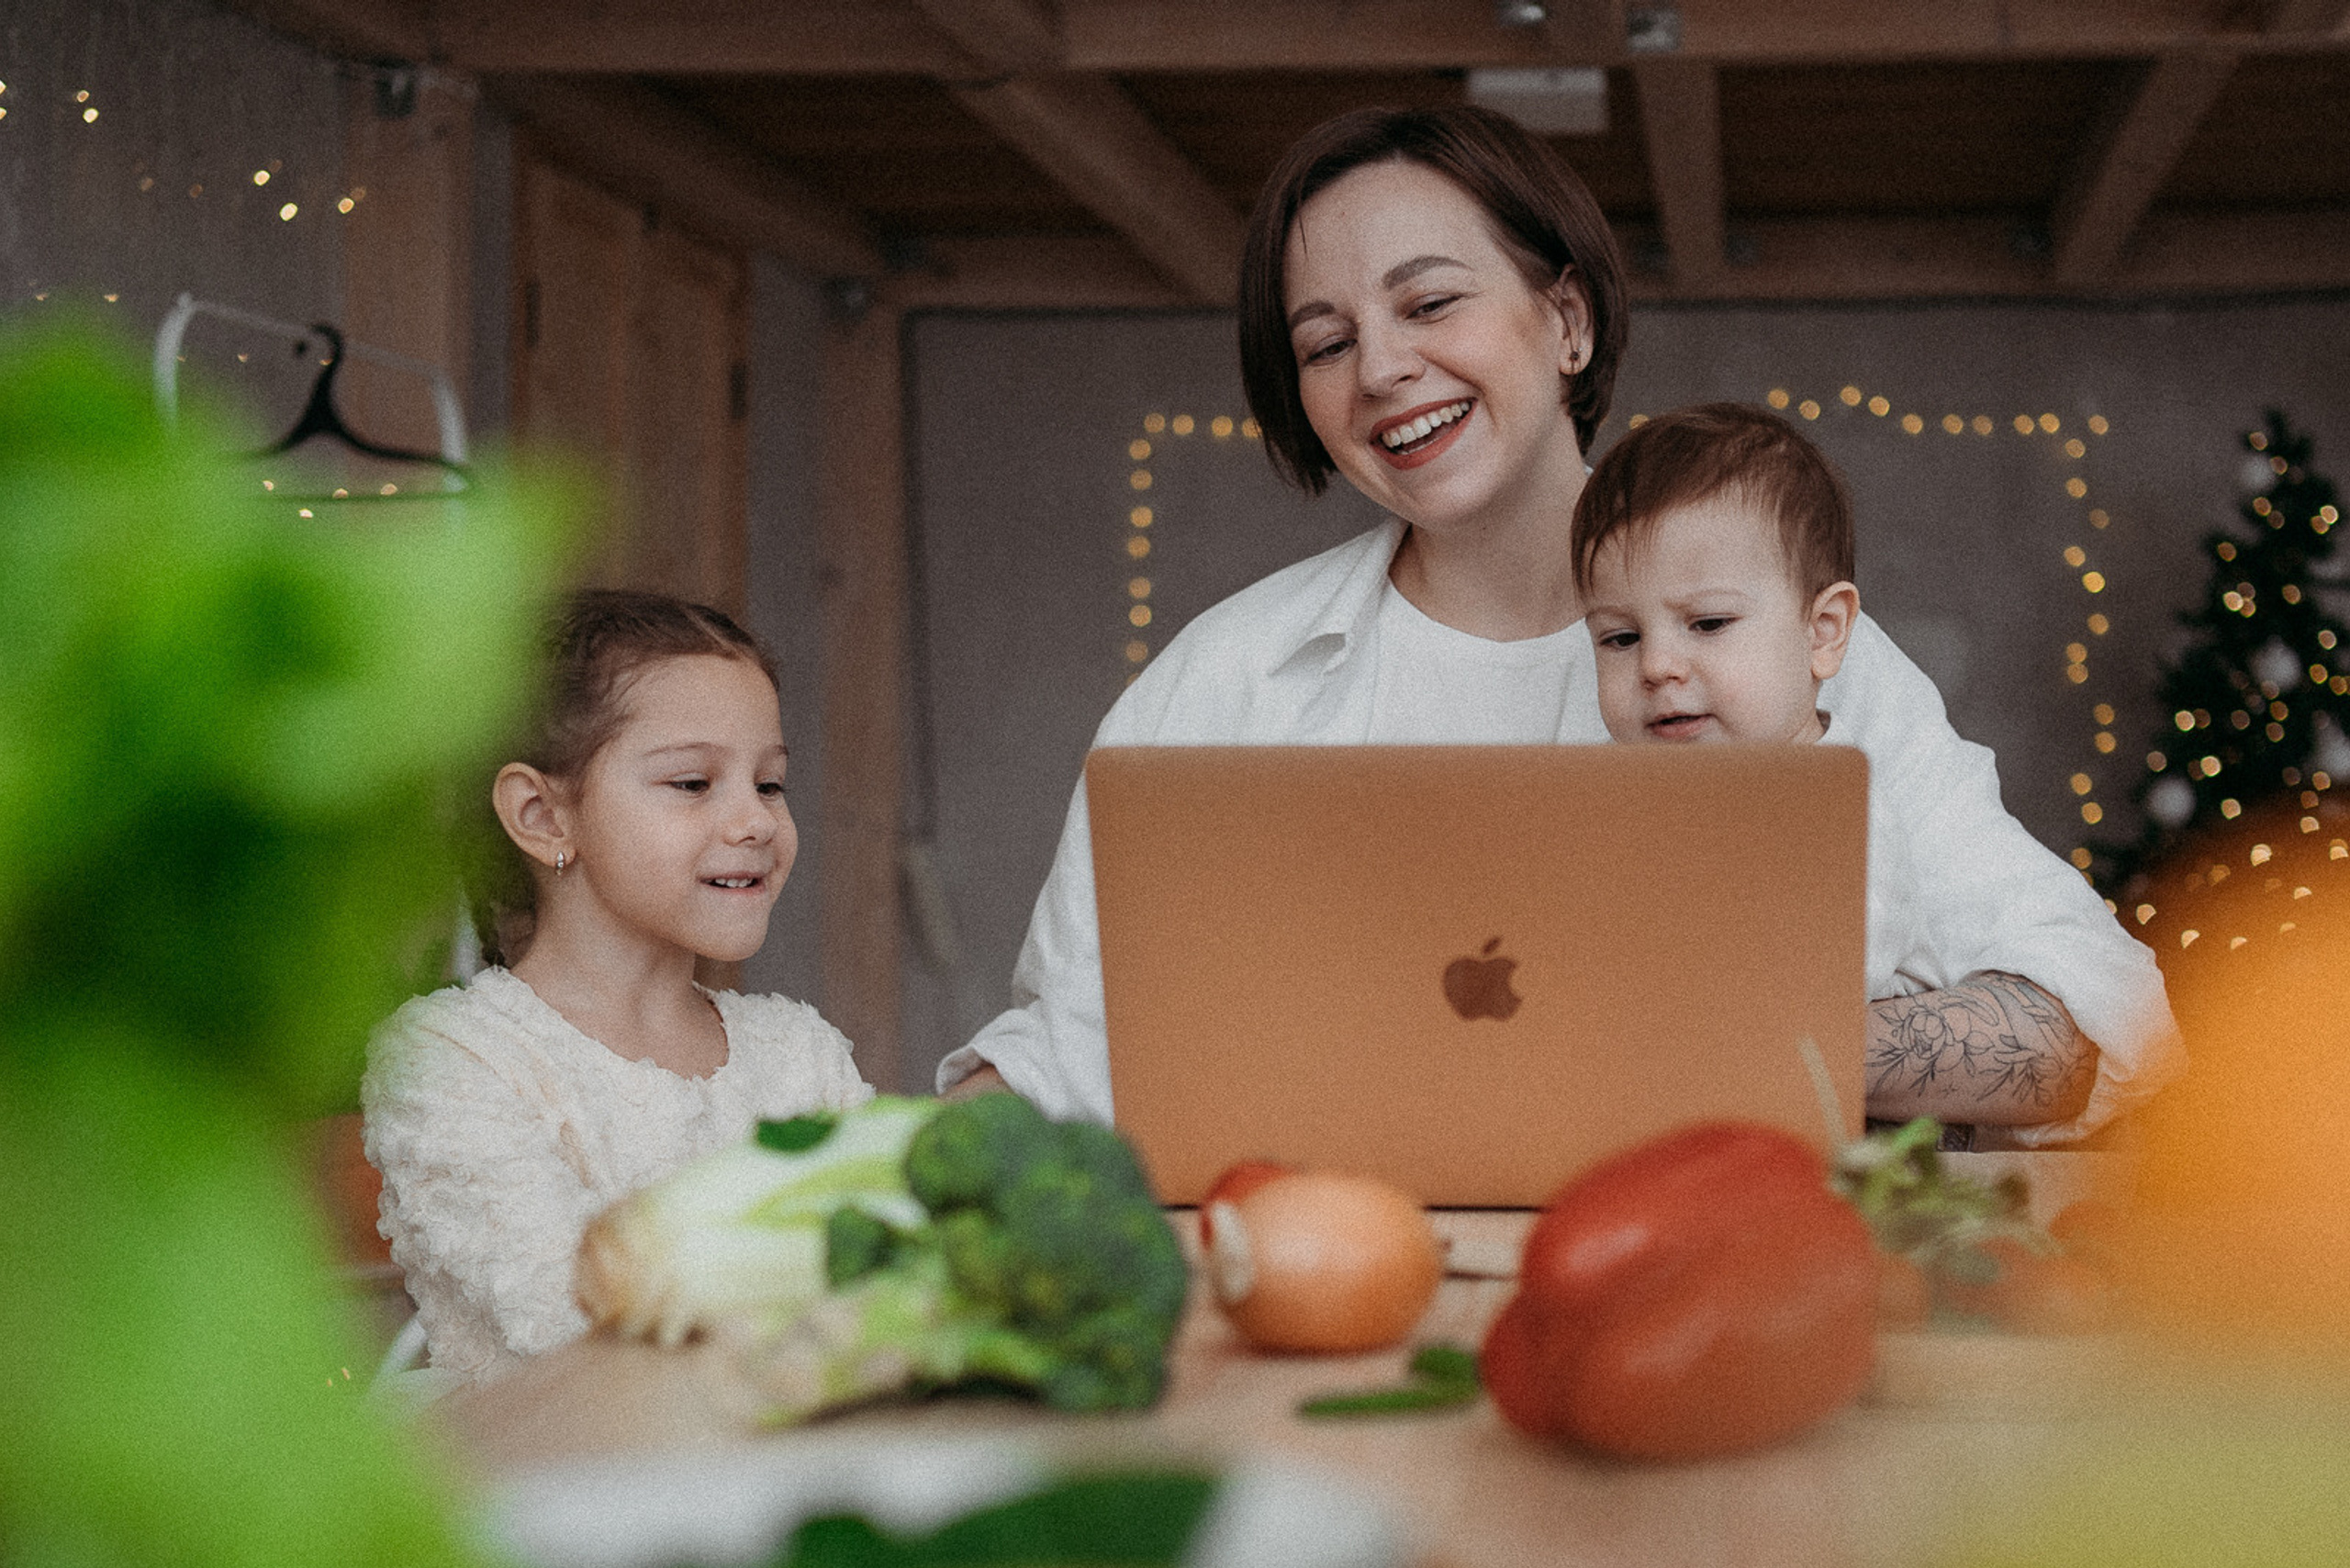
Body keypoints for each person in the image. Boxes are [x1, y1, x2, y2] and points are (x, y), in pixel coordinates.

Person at [940, 105, 2180, 1147]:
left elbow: (2107, 1022)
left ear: (1569, 321)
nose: (1380, 371)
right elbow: (1072, 1049)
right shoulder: (1223, 683)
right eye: (1326, 343)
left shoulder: (1796, 662)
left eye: (1429, 303)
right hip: (1332, 1297)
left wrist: (1777, 1046)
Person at [1573, 401, 2180, 1134]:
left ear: (1824, 634)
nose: (1658, 665)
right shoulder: (1601, 797)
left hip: (1849, 1164)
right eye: (1618, 638)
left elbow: (1805, 993)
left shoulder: (1839, 809)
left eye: (1708, 624)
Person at [364, 591, 869, 1385]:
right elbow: (574, 1326)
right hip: (560, 1489)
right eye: (694, 782)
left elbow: (896, 1280)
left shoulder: (801, 1054)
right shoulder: (453, 1061)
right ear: (542, 816)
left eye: (770, 785)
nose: (757, 820)